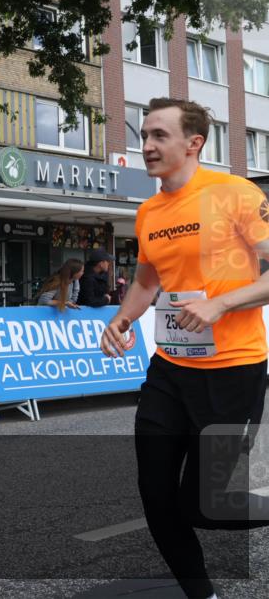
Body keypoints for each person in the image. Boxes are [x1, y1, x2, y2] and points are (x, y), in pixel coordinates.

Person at [100, 98, 269, 599]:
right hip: (170, 368)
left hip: (232, 370)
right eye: (144, 135)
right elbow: (148, 279)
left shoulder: (234, 194)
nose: (146, 145)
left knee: (204, 506)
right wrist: (122, 318)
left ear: (193, 143)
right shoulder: (149, 211)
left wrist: (221, 305)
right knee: (155, 496)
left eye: (159, 136)